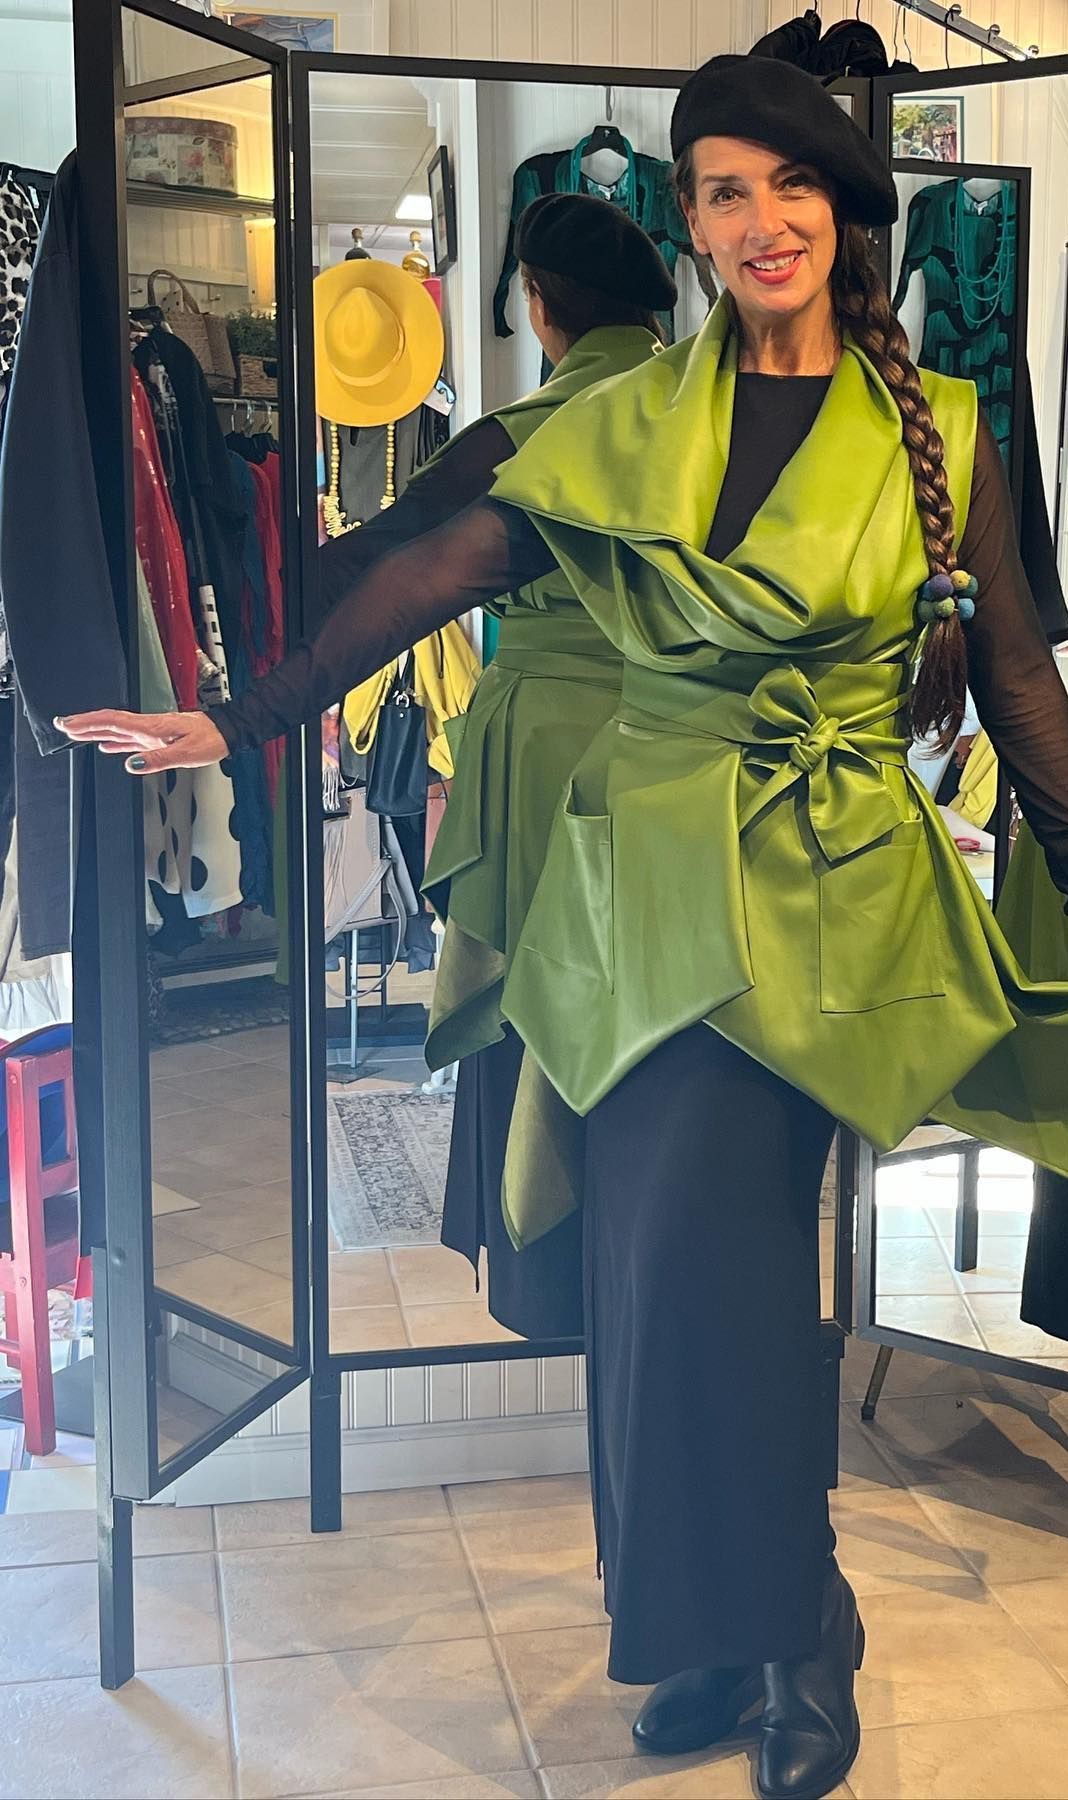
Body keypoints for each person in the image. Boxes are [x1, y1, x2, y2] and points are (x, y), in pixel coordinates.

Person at [61, 56, 1068, 1800]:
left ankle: (792, 1620)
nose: (761, 221)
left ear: (844, 217)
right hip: (649, 901)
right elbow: (437, 567)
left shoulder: (940, 428)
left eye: (789, 188)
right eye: (725, 192)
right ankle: (722, 1626)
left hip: (834, 906)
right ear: (694, 225)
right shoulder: (625, 416)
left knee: (727, 1269)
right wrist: (251, 713)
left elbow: (1024, 669)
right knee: (657, 1279)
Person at [319, 193, 675, 1339]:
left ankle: (547, 1277)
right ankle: (653, 1275)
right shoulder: (707, 415)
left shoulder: (519, 436)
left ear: (538, 305)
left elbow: (385, 554)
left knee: (533, 1002)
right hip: (679, 751)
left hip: (545, 756)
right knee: (658, 1019)